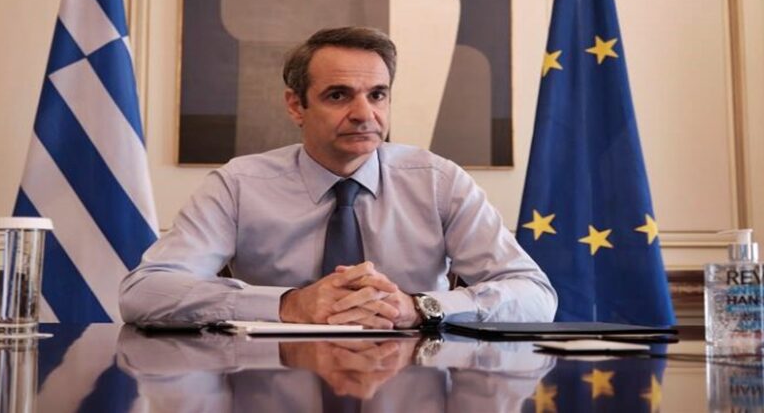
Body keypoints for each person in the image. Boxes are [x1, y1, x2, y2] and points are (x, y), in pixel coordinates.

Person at [119, 27, 557, 329]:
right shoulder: (239, 185)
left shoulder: (438, 181)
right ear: (296, 106)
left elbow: (535, 295)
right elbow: (145, 292)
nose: (365, 114)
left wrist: (421, 307)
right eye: (338, 95)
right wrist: (289, 304)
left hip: (412, 385)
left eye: (377, 95)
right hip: (271, 385)